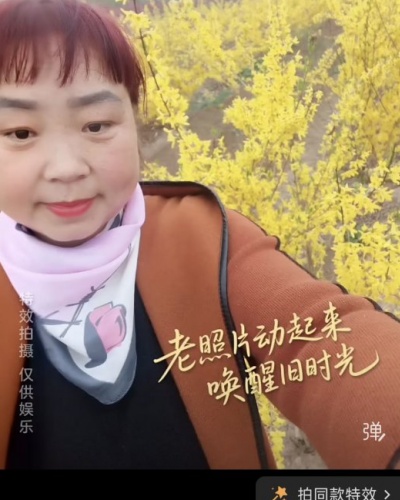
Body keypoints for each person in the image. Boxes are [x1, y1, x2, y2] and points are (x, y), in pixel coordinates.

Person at [0, 0, 398, 470]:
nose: (67, 168)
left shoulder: (201, 238)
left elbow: (317, 336)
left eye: (96, 125)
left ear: (133, 122)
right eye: (20, 133)